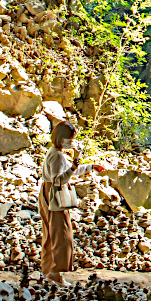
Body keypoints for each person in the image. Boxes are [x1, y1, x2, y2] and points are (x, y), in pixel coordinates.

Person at [40, 121, 106, 283]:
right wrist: (72, 169)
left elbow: (71, 170)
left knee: (50, 233)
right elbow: (58, 180)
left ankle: (48, 270)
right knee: (61, 234)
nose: (72, 141)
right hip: (55, 194)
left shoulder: (54, 152)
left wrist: (90, 167)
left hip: (47, 192)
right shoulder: (57, 156)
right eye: (70, 138)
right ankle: (55, 273)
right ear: (63, 138)